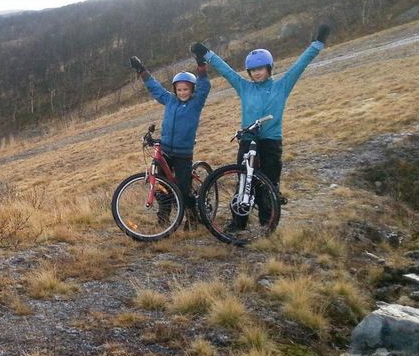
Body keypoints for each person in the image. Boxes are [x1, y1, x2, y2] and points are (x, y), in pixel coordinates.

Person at [190, 25, 330, 224]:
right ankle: (239, 223)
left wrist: (318, 43)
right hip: (248, 140)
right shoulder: (244, 87)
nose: (256, 73)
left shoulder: (282, 86)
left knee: (268, 184)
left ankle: (267, 222)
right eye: (253, 70)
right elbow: (226, 71)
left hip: (271, 142)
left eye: (260, 69)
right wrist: (206, 53)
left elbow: (301, 64)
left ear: (269, 68)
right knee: (243, 182)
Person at [130, 53, 210, 222]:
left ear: (192, 89)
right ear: (175, 89)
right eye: (179, 89)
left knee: (183, 188)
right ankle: (164, 217)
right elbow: (155, 87)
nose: (182, 92)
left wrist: (201, 67)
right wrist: (142, 70)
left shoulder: (196, 103)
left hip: (183, 154)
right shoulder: (169, 100)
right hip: (165, 150)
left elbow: (205, 86)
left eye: (186, 89)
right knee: (161, 185)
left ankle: (192, 216)